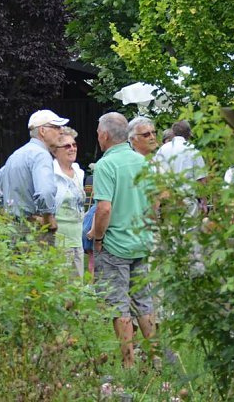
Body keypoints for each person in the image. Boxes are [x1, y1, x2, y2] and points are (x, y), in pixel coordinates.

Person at [88, 112, 156, 368]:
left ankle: (128, 364)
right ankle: (155, 359)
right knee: (144, 304)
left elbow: (104, 209)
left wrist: (96, 236)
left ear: (104, 135)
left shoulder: (106, 165)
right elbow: (155, 202)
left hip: (116, 246)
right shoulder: (143, 163)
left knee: (119, 307)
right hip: (141, 241)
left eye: (97, 132)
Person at [0, 109, 68, 242]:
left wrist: (5, 216)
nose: (61, 131)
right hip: (35, 232)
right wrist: (47, 218)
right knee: (40, 263)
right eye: (56, 127)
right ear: (42, 131)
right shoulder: (41, 155)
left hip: (11, 231)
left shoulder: (16, 155)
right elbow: (45, 192)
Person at [51, 128, 86, 278]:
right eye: (67, 146)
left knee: (78, 289)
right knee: (61, 288)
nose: (72, 148)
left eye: (74, 145)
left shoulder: (79, 172)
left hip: (77, 238)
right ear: (54, 151)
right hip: (59, 239)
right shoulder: (50, 173)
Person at [154, 120, 206, 215]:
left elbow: (155, 176)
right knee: (190, 229)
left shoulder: (162, 150)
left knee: (170, 229)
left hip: (168, 200)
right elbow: (200, 180)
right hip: (188, 199)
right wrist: (204, 204)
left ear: (173, 133)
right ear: (189, 134)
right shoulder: (193, 150)